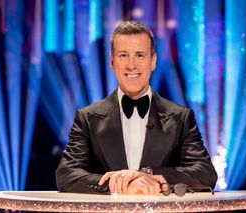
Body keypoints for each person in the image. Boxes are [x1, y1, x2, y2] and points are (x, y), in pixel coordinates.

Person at [56, 21, 217, 195]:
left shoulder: (180, 118)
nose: (131, 65)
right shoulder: (87, 118)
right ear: (112, 61)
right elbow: (67, 175)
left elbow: (205, 173)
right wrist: (121, 184)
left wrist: (147, 174)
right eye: (123, 55)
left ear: (153, 61)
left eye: (140, 55)